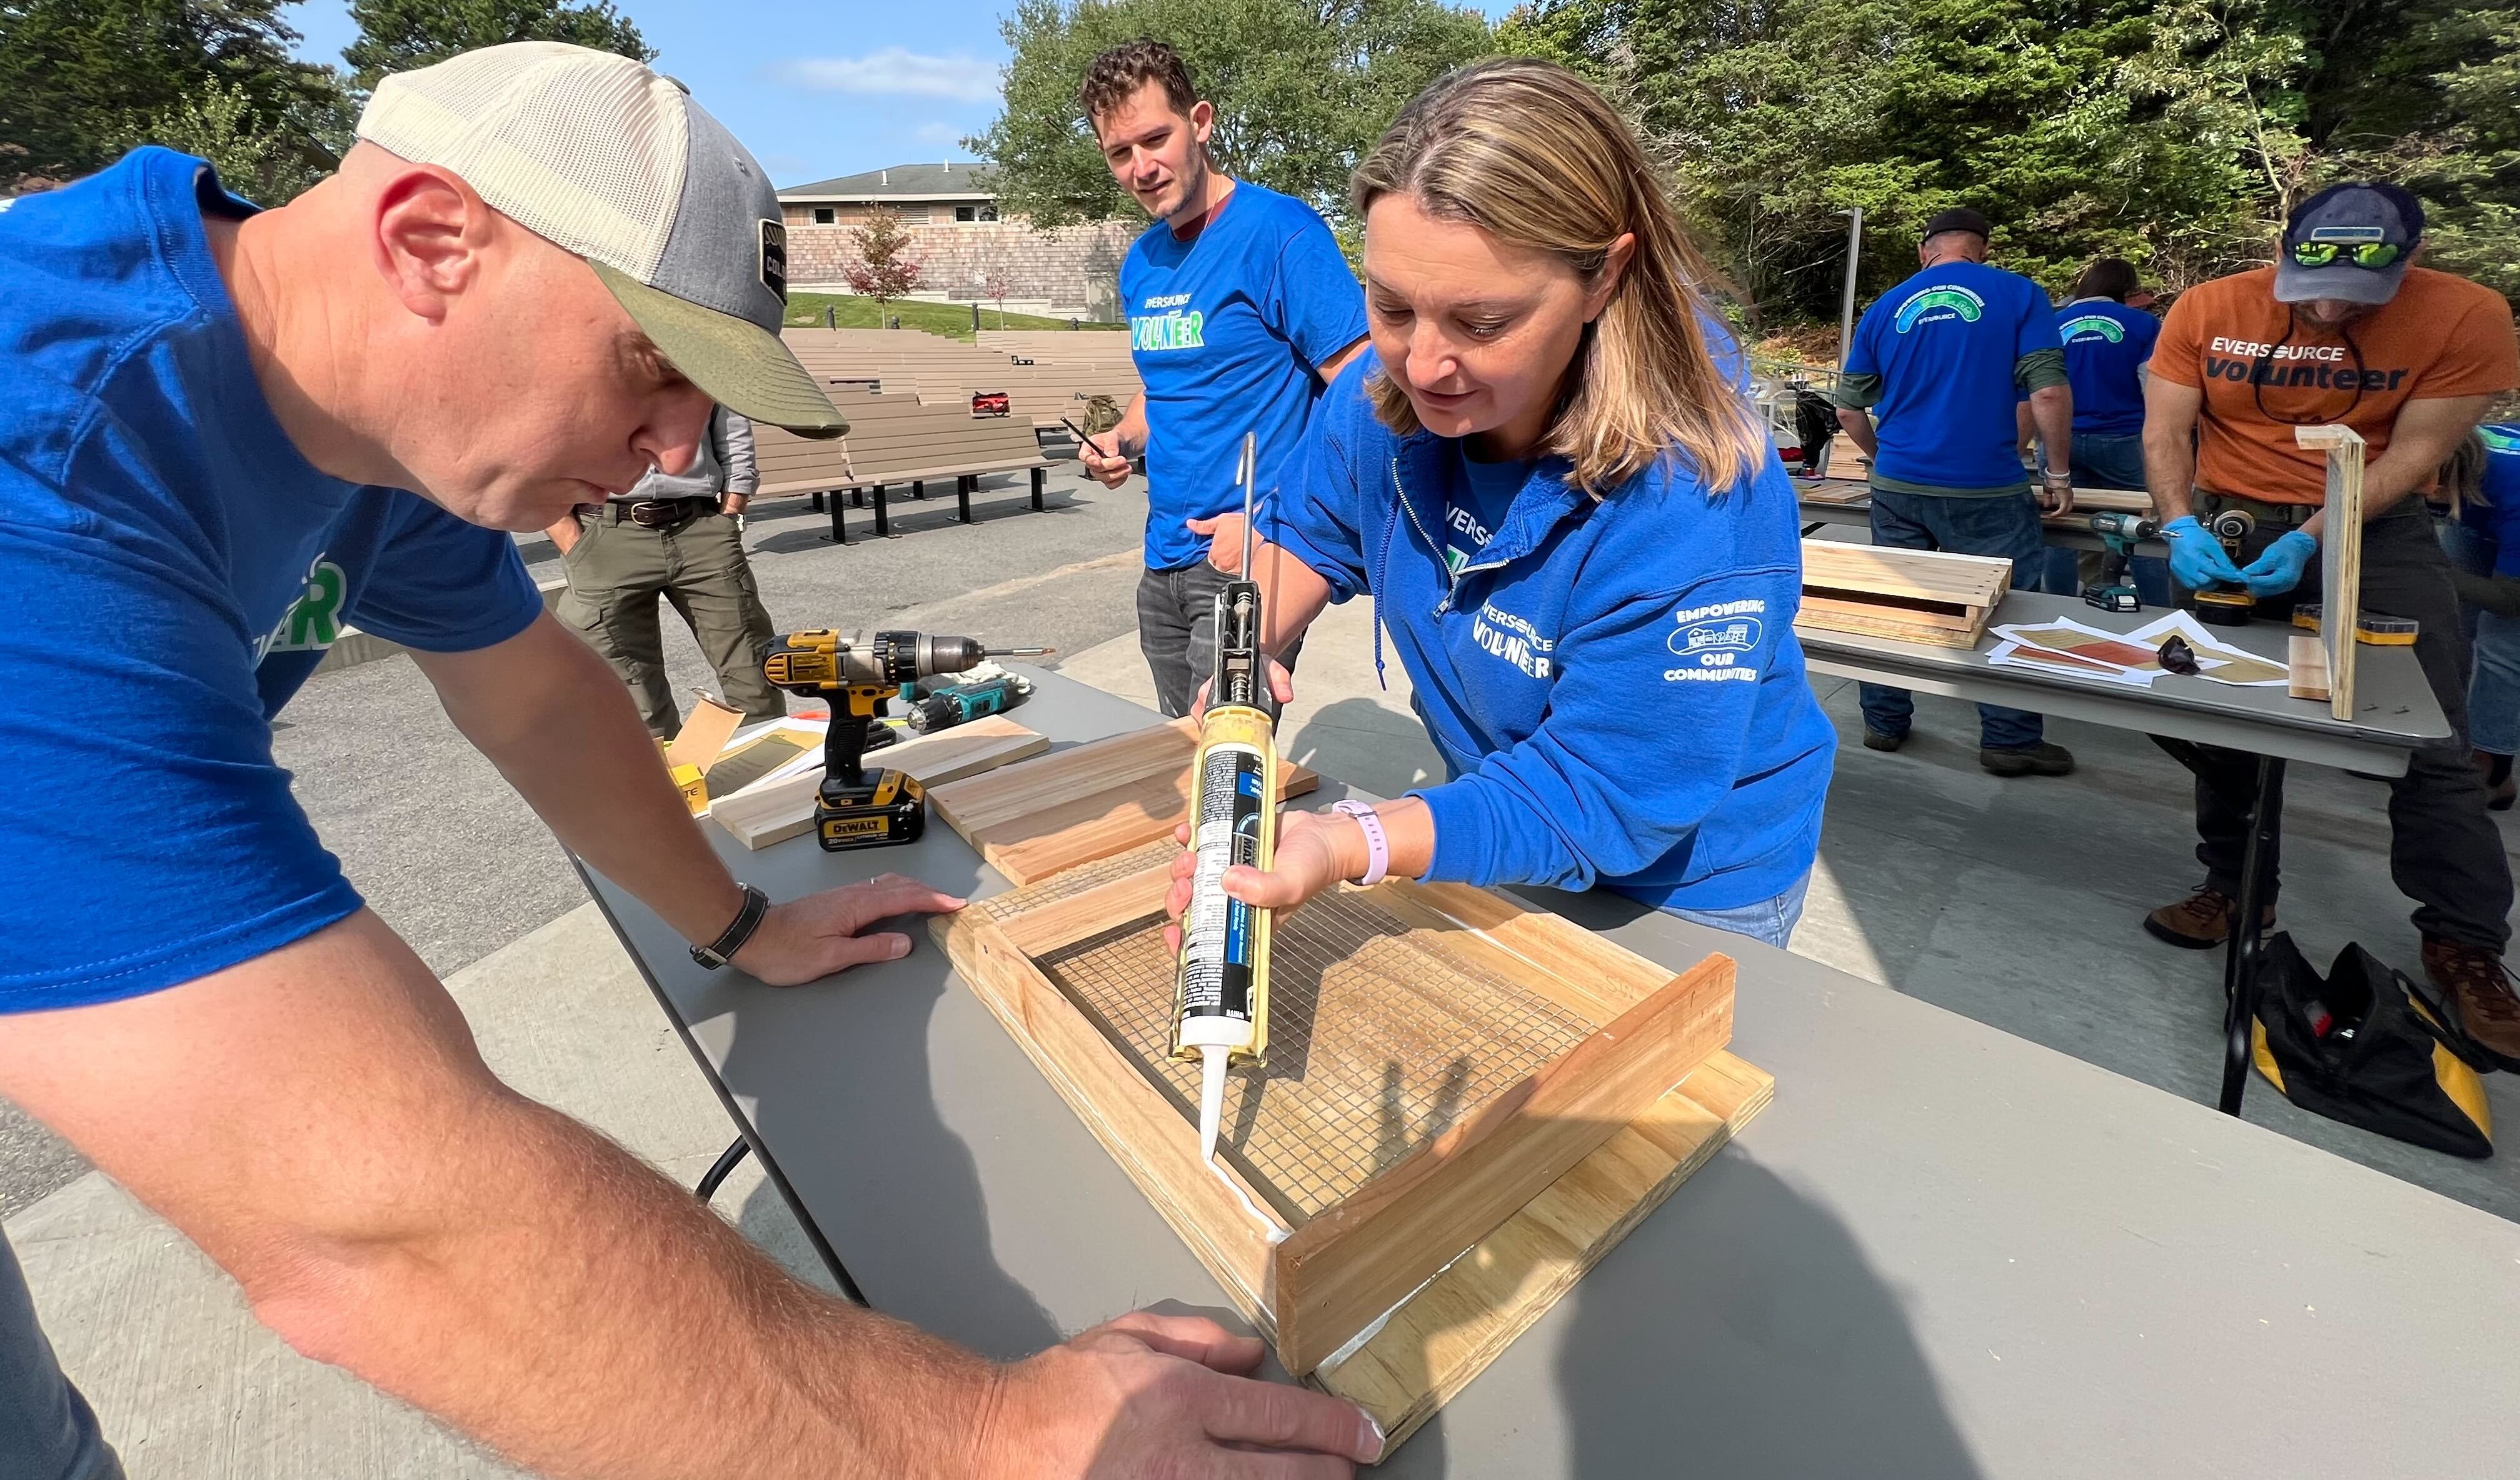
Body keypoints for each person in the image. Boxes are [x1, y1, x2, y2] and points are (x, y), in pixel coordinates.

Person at [0, 42, 1383, 1480]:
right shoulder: (48, 447)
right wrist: (987, 1434)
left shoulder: (362, 435)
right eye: (649, 367)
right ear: (429, 244)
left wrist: (736, 921)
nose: (673, 450)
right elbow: (370, 1217)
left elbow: (538, 696)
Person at [1166, 58, 1837, 950]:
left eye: (1482, 323)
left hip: (1688, 884)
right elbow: (1308, 533)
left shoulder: (1697, 489)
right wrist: (1250, 666)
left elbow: (1608, 790)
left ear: (1602, 277)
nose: (1421, 364)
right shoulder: (1375, 394)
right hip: (1494, 817)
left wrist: (1352, 840)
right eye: (1391, 305)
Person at [2139, 182, 2520, 1069]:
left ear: (2408, 263)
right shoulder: (2209, 307)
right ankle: (2235, 887)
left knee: (2424, 737)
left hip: (2375, 526)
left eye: (2354, 293)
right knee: (2211, 711)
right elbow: (2165, 432)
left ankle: (2464, 947)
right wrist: (2178, 525)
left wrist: (2314, 539)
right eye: (2308, 285)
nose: (2324, 307)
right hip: (2230, 514)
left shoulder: (2466, 316)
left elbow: (2414, 456)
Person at [1071, 39, 1370, 716]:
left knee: (1225, 764)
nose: (1141, 168)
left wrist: (1273, 521)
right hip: (1162, 561)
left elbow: (1361, 390)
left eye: (1156, 138)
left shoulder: (1279, 231)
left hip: (1249, 561)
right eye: (1120, 153)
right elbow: (1163, 384)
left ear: (1199, 122)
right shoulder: (1141, 263)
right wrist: (1118, 437)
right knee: (1178, 759)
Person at [1831, 208, 2079, 776]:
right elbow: (2046, 393)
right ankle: (2009, 740)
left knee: (1892, 603)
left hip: (1898, 484)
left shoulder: (1886, 305)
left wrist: (1880, 458)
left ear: (1926, 251)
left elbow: (1847, 407)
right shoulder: (2018, 295)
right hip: (1986, 487)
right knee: (2005, 609)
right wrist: (2056, 474)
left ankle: (1884, 722)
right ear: (1980, 250)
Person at [547, 403, 786, 739]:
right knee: (633, 694)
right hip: (602, 535)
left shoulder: (704, 354)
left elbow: (734, 434)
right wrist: (570, 538)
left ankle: (768, 779)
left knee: (752, 671)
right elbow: (535, 454)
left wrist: (731, 515)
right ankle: (667, 787)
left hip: (700, 528)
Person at [2024, 257, 2170, 606]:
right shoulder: (2144, 325)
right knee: (2142, 528)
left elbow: (2034, 385)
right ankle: (2157, 612)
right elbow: (2153, 385)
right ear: (2125, 288)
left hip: (2060, 441)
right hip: (2123, 438)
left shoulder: (2051, 324)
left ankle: (2054, 605)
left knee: (2061, 525)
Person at [2436, 424, 2520, 809]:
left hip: (2508, 505)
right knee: (2446, 616)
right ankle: (2435, 738)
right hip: (2478, 500)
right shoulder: (2450, 444)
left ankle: (2493, 767)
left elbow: (2510, 601)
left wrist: (2428, 570)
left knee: (2502, 644)